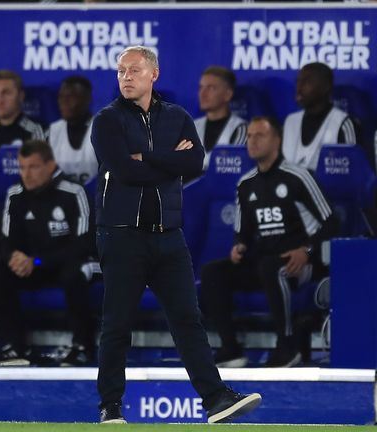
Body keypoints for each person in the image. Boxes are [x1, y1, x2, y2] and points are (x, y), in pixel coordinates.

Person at [91, 45, 261, 424]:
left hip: (169, 236)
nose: (126, 77)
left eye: (134, 70)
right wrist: (169, 161)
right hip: (121, 236)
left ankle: (215, 398)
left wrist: (147, 158)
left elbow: (194, 161)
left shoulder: (177, 117)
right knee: (117, 324)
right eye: (120, 71)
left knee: (188, 320)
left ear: (154, 74)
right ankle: (111, 406)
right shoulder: (106, 121)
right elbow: (125, 172)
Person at [201, 116, 339, 369]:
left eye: (260, 136)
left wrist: (307, 251)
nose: (252, 141)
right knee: (213, 272)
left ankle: (287, 348)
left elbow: (331, 222)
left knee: (271, 268)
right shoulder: (246, 184)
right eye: (250, 136)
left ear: (277, 140)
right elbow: (243, 232)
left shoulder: (298, 177)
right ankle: (231, 350)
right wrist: (239, 246)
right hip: (266, 261)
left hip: (303, 262)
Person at [0, 140, 95, 366]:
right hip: (37, 265)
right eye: (22, 167)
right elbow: (7, 240)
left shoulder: (73, 192)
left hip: (82, 262)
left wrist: (37, 261)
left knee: (74, 273)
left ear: (51, 166)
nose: (26, 174)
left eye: (33, 167)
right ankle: (15, 345)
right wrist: (14, 258)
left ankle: (83, 345)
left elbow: (84, 245)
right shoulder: (15, 195)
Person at [283, 62, 358, 172]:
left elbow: (353, 171)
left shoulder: (344, 123)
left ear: (325, 87)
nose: (299, 87)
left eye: (307, 82)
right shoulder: (290, 122)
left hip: (328, 189)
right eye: (298, 81)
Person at [193, 66, 247, 178]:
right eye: (201, 88)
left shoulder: (240, 128)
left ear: (228, 94)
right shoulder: (192, 126)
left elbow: (232, 171)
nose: (203, 93)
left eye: (211, 88)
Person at [48, 75, 97, 184]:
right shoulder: (52, 132)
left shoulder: (103, 129)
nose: (63, 101)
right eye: (61, 96)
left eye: (70, 97)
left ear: (87, 99)